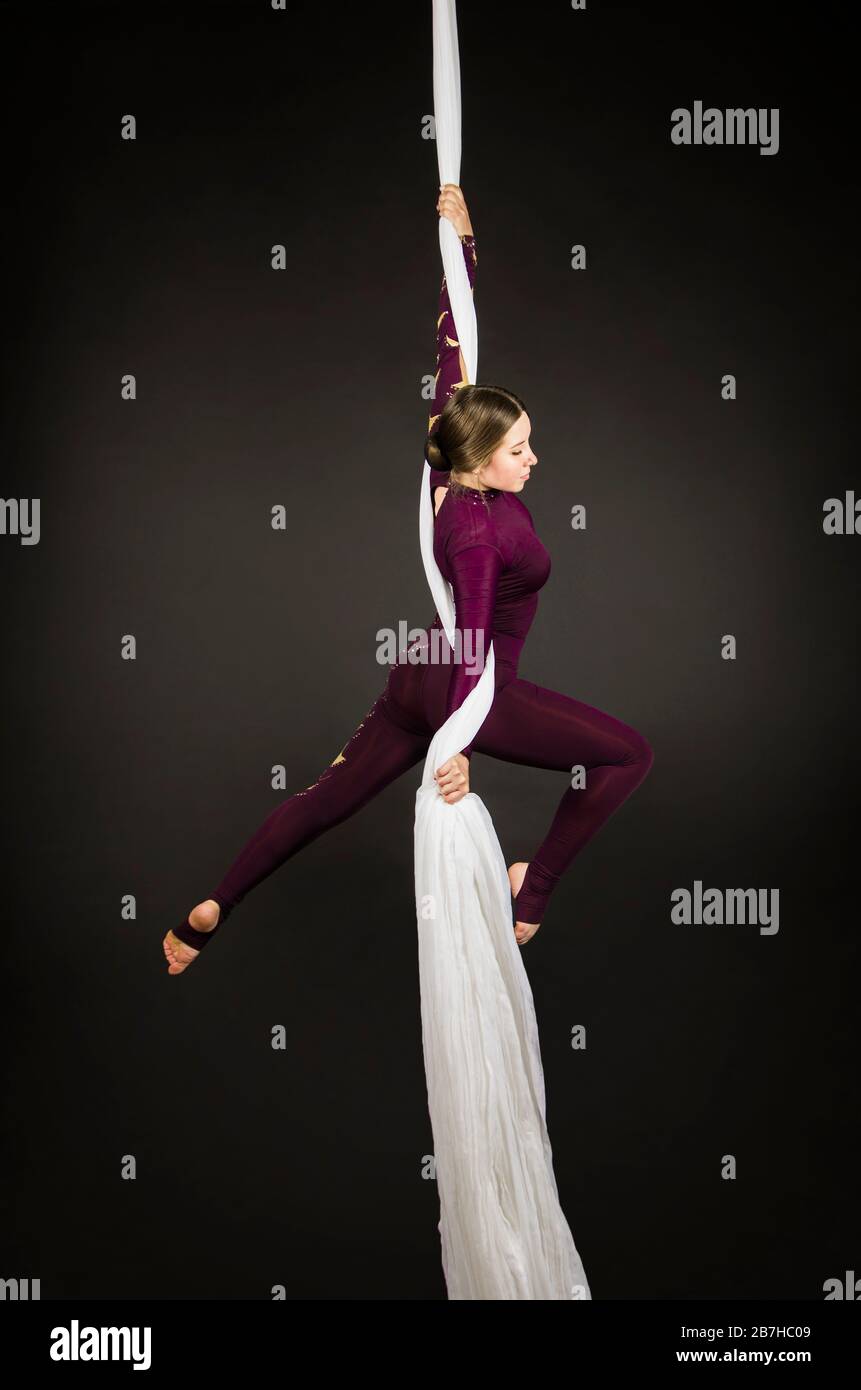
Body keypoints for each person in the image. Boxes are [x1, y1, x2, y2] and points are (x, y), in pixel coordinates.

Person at [164, 184, 653, 976]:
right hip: (467, 683)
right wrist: (458, 743)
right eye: (520, 449)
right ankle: (533, 885)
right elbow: (471, 637)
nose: (533, 459)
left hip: (413, 680)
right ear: (483, 455)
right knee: (628, 755)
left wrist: (460, 247)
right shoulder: (476, 533)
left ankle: (212, 908)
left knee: (326, 800)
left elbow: (451, 353)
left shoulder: (449, 462)